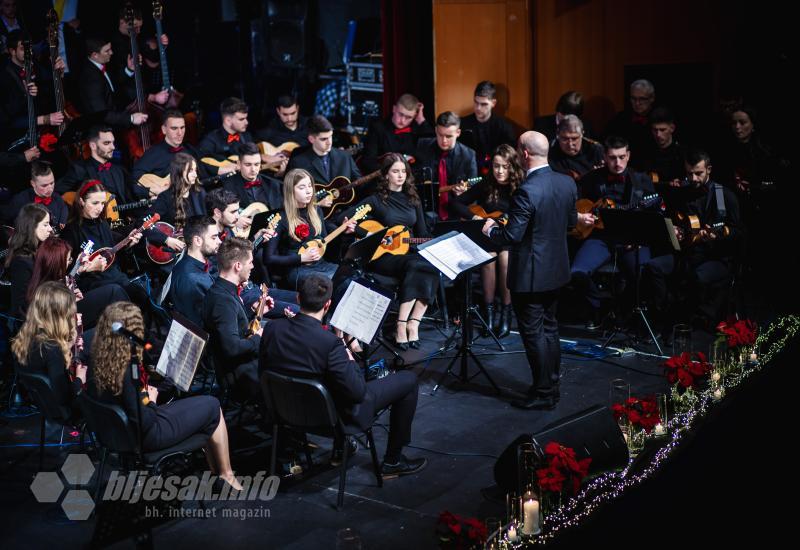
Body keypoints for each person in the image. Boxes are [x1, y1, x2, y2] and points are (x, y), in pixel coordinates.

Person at [259, 274, 426, 477]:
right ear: (328, 304)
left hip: (284, 410)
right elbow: (357, 393)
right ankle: (393, 461)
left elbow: (264, 371)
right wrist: (350, 359)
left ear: (297, 299)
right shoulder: (330, 343)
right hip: (329, 418)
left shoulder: (273, 328)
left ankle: (341, 448)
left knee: (329, 380)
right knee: (407, 380)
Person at [89, 301, 242, 491]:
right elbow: (144, 420)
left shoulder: (98, 360)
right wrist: (151, 400)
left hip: (119, 435)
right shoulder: (127, 372)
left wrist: (148, 395)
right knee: (212, 405)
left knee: (191, 403)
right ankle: (226, 475)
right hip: (148, 435)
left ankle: (219, 475)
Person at [482, 131, 585, 410]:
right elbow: (570, 224)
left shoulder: (527, 190)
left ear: (524, 155)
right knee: (550, 328)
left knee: (533, 333)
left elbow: (512, 236)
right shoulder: (566, 183)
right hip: (557, 270)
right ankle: (551, 386)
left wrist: (491, 230)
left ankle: (542, 393)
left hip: (530, 275)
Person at [340, 154, 440, 350]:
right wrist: (360, 231)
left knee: (431, 263)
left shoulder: (413, 198)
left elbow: (422, 233)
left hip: (408, 250)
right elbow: (342, 219)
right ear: (386, 175)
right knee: (415, 265)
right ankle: (401, 326)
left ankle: (414, 323)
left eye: (404, 171)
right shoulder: (375, 201)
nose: (401, 175)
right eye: (395, 171)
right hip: (382, 255)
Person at [573, 136, 670, 328]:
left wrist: (639, 234)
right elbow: (572, 205)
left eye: (621, 157)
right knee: (577, 273)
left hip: (632, 240)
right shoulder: (591, 179)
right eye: (612, 158)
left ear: (629, 156)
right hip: (600, 238)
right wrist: (580, 217)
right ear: (604, 157)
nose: (617, 163)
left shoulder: (642, 181)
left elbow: (656, 215)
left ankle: (625, 314)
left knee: (643, 275)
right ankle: (599, 307)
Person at [452, 144, 524, 337]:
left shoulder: (520, 187)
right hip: (488, 236)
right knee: (489, 259)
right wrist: (475, 218)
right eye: (496, 166)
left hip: (510, 237)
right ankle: (489, 313)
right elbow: (457, 203)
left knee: (505, 260)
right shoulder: (487, 184)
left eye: (505, 166)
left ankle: (506, 313)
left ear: (513, 167)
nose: (500, 171)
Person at [674, 151, 743, 327]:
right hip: (690, 251)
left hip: (719, 256)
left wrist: (719, 235)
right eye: (690, 173)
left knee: (696, 276)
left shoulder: (722, 195)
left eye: (699, 173)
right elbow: (678, 219)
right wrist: (677, 230)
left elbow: (738, 231)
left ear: (709, 170)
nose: (694, 178)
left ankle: (699, 319)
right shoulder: (684, 191)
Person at [263, 169, 355, 289]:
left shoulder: (316, 210)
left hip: (321, 265)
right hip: (297, 270)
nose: (308, 191)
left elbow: (324, 243)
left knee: (351, 277)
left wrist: (345, 234)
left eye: (310, 186)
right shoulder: (280, 218)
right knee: (333, 283)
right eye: (302, 187)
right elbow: (268, 258)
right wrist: (301, 258)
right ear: (291, 191)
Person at [203, 237, 270, 394]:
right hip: (242, 376)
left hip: (242, 367)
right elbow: (232, 348)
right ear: (238, 266)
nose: (253, 266)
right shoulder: (223, 301)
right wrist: (258, 338)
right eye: (250, 262)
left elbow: (233, 326)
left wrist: (255, 311)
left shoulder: (220, 290)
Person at [11, 282, 87, 413]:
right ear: (60, 316)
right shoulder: (52, 350)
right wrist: (80, 379)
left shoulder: (26, 336)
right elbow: (65, 398)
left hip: (43, 404)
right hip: (66, 412)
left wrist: (69, 344)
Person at [25, 236, 126, 330]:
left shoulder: (44, 278)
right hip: (64, 324)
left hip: (68, 314)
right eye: (69, 259)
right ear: (57, 263)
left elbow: (66, 283)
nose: (70, 262)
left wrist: (79, 271)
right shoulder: (46, 289)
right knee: (114, 291)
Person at [56, 125, 147, 204]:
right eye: (107, 143)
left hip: (124, 219)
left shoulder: (119, 169)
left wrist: (149, 194)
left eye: (113, 142)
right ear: (93, 146)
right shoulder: (79, 169)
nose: (113, 147)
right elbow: (56, 192)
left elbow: (131, 193)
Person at [78, 36, 153, 131]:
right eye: (107, 51)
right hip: (104, 129)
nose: (111, 53)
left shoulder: (100, 63)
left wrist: (129, 69)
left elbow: (111, 83)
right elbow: (102, 114)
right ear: (95, 55)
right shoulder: (91, 80)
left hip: (116, 120)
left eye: (110, 49)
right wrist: (131, 118)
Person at [416, 111, 478, 220]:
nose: (444, 140)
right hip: (425, 212)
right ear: (436, 130)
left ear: (458, 133)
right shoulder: (422, 146)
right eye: (440, 135)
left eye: (449, 136)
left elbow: (474, 185)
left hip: (456, 213)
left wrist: (464, 192)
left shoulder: (469, 155)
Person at [144, 152, 205, 255]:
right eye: (190, 171)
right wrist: (166, 239)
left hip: (198, 249)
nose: (195, 174)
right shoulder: (166, 198)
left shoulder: (200, 194)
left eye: (195, 170)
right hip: (175, 253)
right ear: (179, 172)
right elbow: (143, 221)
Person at [166, 216, 219, 327]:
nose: (219, 241)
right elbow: (202, 325)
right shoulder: (191, 280)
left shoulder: (196, 265)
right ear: (198, 240)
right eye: (214, 238)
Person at [4, 203, 54, 323]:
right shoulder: (21, 262)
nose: (50, 229)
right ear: (32, 227)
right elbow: (20, 307)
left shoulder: (38, 249)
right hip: (30, 325)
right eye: (46, 224)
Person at [362, 93, 433, 173]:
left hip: (412, 179)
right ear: (394, 109)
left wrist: (421, 120)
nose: (402, 120)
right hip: (385, 179)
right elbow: (368, 162)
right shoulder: (378, 128)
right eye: (400, 114)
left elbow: (429, 157)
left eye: (408, 117)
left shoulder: (418, 129)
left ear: (415, 116)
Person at [286, 114, 362, 187]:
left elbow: (360, 184)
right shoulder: (299, 163)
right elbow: (289, 191)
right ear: (311, 139)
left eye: (330, 136)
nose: (329, 142)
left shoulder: (345, 157)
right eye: (324, 139)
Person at [133, 110, 206, 184]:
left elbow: (204, 173)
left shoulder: (191, 150)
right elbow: (135, 178)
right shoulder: (152, 153)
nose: (179, 133)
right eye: (174, 128)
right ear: (164, 130)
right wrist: (153, 190)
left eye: (182, 127)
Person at [459, 81, 516, 175]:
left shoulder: (505, 127)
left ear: (493, 103)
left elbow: (510, 157)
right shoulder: (462, 124)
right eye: (476, 102)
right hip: (468, 175)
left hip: (496, 175)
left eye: (484, 104)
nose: (478, 108)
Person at [605, 79, 657, 169]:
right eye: (634, 99)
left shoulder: (659, 119)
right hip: (624, 168)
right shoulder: (620, 118)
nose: (637, 103)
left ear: (652, 98)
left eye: (642, 99)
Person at [198, 97, 255, 176]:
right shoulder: (210, 140)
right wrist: (220, 169)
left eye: (246, 118)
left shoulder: (247, 136)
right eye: (242, 119)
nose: (247, 122)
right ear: (228, 121)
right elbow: (199, 163)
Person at [3, 160, 68, 227]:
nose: (50, 189)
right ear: (33, 184)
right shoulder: (20, 200)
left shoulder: (56, 197)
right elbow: (6, 221)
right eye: (44, 185)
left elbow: (63, 207)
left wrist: (63, 220)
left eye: (52, 183)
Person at [547, 115, 604, 182]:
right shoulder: (549, 149)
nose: (570, 144)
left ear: (582, 134)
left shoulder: (595, 149)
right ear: (558, 135)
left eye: (574, 139)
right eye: (565, 139)